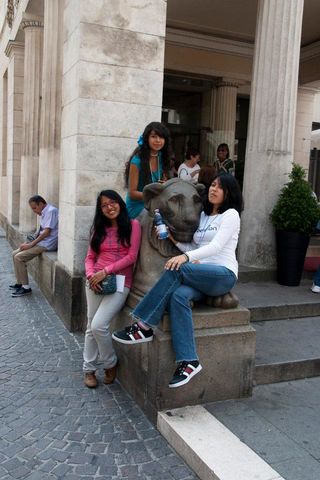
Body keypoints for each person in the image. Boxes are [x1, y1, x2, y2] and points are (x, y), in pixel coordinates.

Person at [112, 173, 243, 388]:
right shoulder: (204, 217)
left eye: (219, 187)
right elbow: (194, 249)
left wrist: (185, 258)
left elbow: (217, 247)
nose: (212, 189)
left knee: (177, 270)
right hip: (201, 275)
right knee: (178, 296)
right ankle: (189, 360)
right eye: (212, 185)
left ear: (229, 193)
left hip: (222, 274)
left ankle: (143, 324)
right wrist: (175, 242)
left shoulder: (230, 215)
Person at [83, 190, 141, 388]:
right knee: (91, 326)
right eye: (104, 205)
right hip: (95, 281)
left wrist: (106, 271)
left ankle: (110, 363)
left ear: (120, 203)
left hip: (120, 281)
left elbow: (131, 257)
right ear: (100, 210)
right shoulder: (98, 230)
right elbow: (90, 257)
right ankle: (88, 369)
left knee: (99, 325)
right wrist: (91, 275)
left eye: (112, 202)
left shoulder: (133, 225)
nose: (109, 207)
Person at [10, 195, 58, 297]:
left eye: (34, 208)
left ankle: (26, 288)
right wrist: (28, 243)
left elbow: (46, 232)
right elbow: (40, 231)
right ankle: (20, 283)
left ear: (40, 204)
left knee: (19, 257)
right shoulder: (45, 212)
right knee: (14, 253)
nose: (34, 211)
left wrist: (31, 244)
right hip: (41, 242)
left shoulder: (50, 211)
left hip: (47, 244)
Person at [125, 121, 172, 219]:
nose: (158, 140)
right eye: (154, 136)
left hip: (156, 205)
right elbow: (132, 193)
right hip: (137, 207)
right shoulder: (137, 161)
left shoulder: (162, 157)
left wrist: (165, 184)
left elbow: (164, 182)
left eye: (161, 137)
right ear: (147, 138)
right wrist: (152, 195)